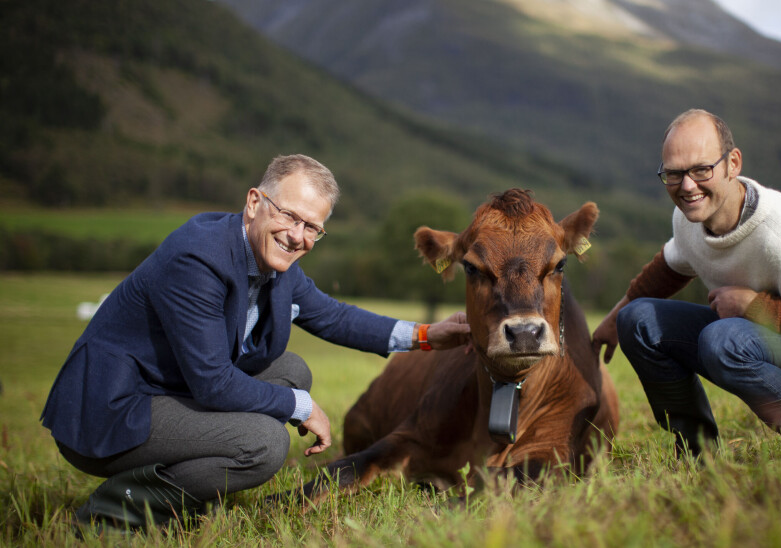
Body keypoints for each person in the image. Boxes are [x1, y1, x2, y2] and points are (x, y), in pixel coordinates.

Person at [41, 154, 471, 531]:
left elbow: (334, 316)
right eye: (289, 216)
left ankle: (182, 494)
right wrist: (302, 407)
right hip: (110, 409)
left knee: (291, 372)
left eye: (313, 229)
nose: (298, 236)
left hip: (167, 388)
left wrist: (426, 335)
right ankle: (113, 515)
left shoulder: (277, 266)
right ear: (253, 203)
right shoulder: (197, 259)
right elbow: (212, 382)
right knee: (263, 444)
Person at [591, 109, 781, 457]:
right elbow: (669, 267)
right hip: (760, 341)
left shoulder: (780, 232)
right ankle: (698, 452)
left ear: (733, 164)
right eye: (673, 173)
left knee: (722, 339)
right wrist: (612, 321)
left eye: (701, 169)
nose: (687, 186)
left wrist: (754, 307)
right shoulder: (690, 218)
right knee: (636, 321)